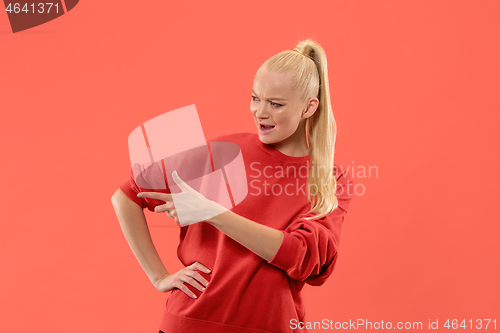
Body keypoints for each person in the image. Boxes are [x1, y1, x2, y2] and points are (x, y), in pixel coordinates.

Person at [111, 38, 354, 333]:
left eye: (275, 104)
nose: (260, 112)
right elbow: (125, 197)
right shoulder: (222, 153)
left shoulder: (331, 181)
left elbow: (303, 258)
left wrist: (211, 212)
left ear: (308, 108)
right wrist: (159, 276)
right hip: (190, 323)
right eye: (255, 98)